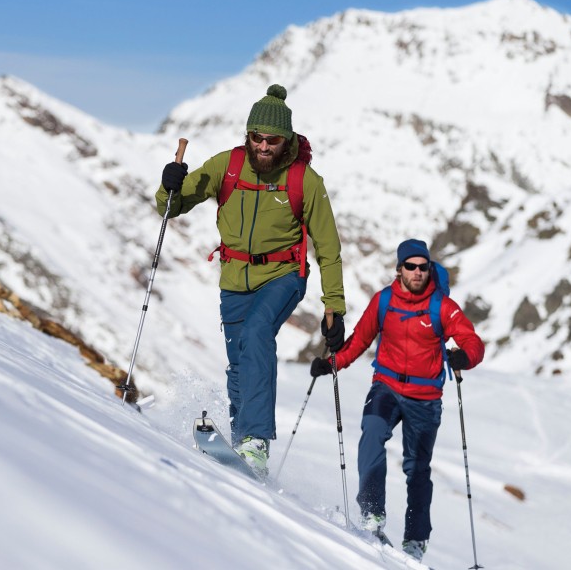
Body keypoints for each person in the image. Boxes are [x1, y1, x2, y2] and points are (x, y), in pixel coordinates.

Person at [156, 84, 346, 477]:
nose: (263, 146)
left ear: (287, 141)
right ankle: (242, 440)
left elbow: (328, 248)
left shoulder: (304, 180)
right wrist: (169, 182)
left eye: (272, 139)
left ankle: (256, 440)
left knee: (258, 333)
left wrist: (335, 307)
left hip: (283, 276)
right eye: (256, 137)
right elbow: (171, 207)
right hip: (233, 276)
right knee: (240, 361)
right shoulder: (225, 166)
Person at [310, 238, 484, 561]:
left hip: (425, 397)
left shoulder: (442, 307)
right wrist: (332, 364)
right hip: (387, 387)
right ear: (399, 269)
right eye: (411, 266)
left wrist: (465, 357)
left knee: (417, 468)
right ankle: (372, 513)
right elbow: (360, 339)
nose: (418, 273)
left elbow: (472, 340)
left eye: (423, 267)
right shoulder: (384, 301)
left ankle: (415, 541)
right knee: (372, 434)